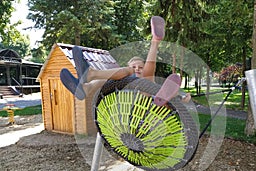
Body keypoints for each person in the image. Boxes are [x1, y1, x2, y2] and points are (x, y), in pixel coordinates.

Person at [60, 16, 190, 105]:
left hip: (151, 105)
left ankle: (89, 76)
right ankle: (86, 87)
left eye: (140, 67)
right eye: (134, 67)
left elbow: (162, 84)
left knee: (148, 81)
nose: (137, 69)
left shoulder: (147, 80)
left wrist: (183, 98)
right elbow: (122, 76)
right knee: (122, 77)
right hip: (131, 113)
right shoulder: (122, 80)